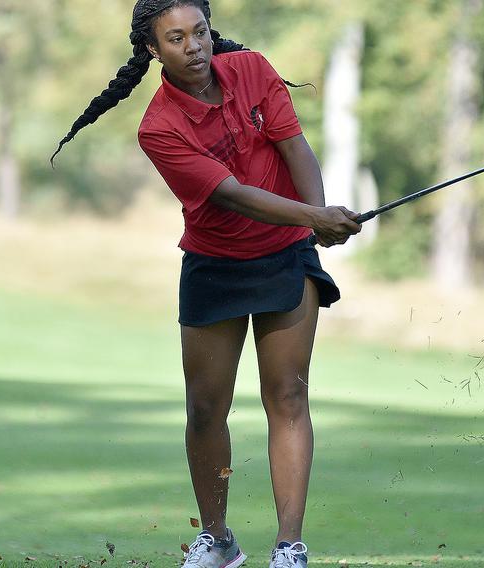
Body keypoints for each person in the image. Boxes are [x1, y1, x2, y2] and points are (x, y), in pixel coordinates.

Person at [51, 1, 361, 567]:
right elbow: (232, 195)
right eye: (176, 38)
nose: (193, 46)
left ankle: (290, 547)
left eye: (199, 32)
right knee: (204, 408)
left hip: (285, 255)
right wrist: (313, 218)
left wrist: (316, 218)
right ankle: (217, 539)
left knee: (287, 395)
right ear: (153, 50)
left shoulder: (254, 71)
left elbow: (295, 147)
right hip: (216, 264)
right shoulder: (158, 128)